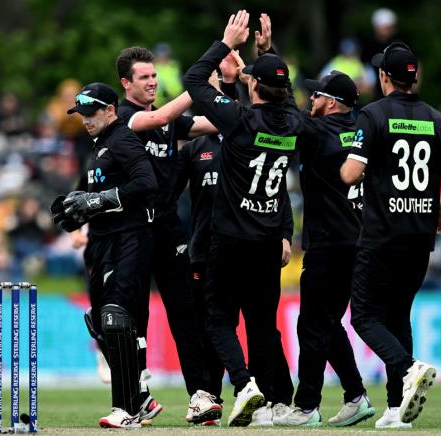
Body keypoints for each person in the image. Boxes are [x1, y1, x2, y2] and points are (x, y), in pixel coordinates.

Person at [183, 10, 315, 426]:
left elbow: (192, 81)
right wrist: (265, 58)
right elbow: (284, 94)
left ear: (254, 86)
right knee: (262, 324)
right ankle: (269, 406)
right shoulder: (294, 123)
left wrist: (226, 43)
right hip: (267, 239)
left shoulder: (237, 120)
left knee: (219, 317)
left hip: (229, 237)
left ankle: (244, 386)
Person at [340, 42, 441, 428]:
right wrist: (439, 215)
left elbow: (350, 174)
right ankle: (396, 410)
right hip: (419, 236)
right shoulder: (436, 119)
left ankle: (406, 367)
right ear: (415, 78)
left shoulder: (373, 115)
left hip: (382, 235)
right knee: (398, 317)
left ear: (383, 77)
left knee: (362, 316)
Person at [114, 45, 221, 424]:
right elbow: (160, 115)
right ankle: (137, 396)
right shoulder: (124, 118)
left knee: (185, 312)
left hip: (168, 226)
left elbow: (214, 122)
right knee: (134, 317)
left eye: (154, 77)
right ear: (126, 83)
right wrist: (201, 78)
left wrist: (238, 96)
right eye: (144, 78)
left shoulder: (169, 121)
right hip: (133, 230)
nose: (152, 82)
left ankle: (201, 396)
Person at [51, 82, 158, 428]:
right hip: (102, 242)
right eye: (81, 114)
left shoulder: (123, 138)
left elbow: (147, 182)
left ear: (110, 110)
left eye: (91, 112)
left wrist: (97, 201)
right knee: (99, 321)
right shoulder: (98, 147)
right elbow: (92, 194)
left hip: (129, 239)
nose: (85, 120)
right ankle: (139, 399)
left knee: (115, 317)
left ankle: (126, 408)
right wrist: (79, 210)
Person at [274, 71, 374, 427]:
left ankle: (305, 407)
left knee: (314, 323)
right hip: (358, 240)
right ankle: (356, 395)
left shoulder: (318, 132)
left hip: (328, 243)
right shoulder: (363, 127)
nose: (310, 101)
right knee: (327, 322)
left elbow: (286, 113)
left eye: (315, 96)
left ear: (331, 102)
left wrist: (269, 62)